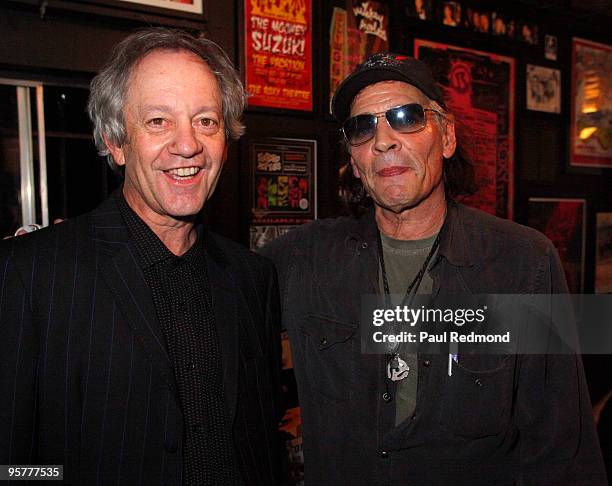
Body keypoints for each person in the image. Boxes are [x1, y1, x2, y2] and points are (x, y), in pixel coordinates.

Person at [261, 52, 607, 484]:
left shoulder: (522, 263)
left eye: (405, 117)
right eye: (362, 127)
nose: (384, 140)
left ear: (446, 138)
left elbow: (562, 450)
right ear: (354, 159)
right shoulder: (304, 259)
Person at [0, 28, 282, 485]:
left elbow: (260, 445)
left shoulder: (253, 278)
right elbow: (12, 466)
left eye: (206, 120)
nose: (188, 144)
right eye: (158, 122)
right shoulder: (31, 275)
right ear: (116, 142)